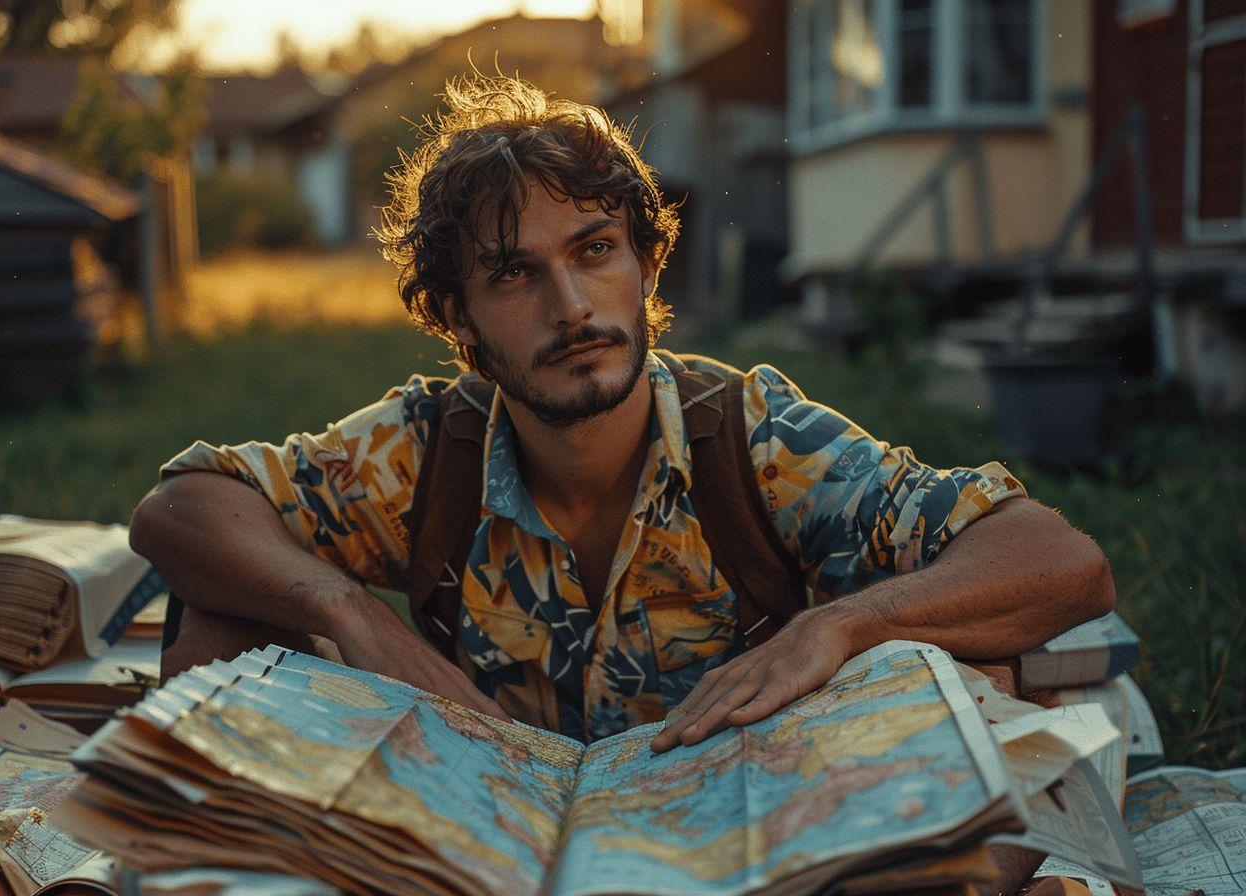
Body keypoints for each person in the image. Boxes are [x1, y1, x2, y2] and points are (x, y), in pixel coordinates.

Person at [130, 75, 1115, 760]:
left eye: (595, 248)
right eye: (515, 273)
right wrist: (342, 610)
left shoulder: (756, 440)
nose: (572, 309)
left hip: (732, 837)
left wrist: (847, 625)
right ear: (459, 318)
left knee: (975, 654)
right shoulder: (427, 451)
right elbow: (181, 507)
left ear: (647, 264)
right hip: (489, 840)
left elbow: (1059, 560)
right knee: (221, 609)